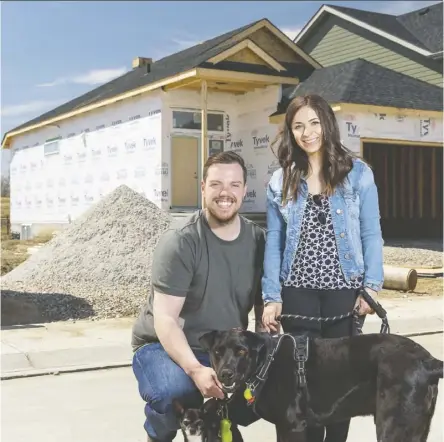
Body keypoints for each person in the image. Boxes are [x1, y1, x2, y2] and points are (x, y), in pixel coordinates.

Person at [261, 94, 384, 442]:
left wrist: (371, 287)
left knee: (340, 379)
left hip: (343, 290)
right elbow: (274, 241)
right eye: (298, 125)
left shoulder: (358, 174)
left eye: (314, 123)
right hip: (296, 291)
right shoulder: (280, 180)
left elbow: (372, 232)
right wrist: (272, 296)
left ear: (327, 124)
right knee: (304, 380)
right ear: (290, 132)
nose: (307, 132)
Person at [131, 151, 265, 442]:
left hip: (221, 347)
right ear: (203, 188)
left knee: (259, 398)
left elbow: (263, 309)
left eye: (234, 184)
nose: (225, 193)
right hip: (162, 346)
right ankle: (157, 431)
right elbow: (165, 319)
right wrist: (195, 370)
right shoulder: (181, 242)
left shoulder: (258, 240)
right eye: (216, 184)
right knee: (175, 392)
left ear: (244, 190)